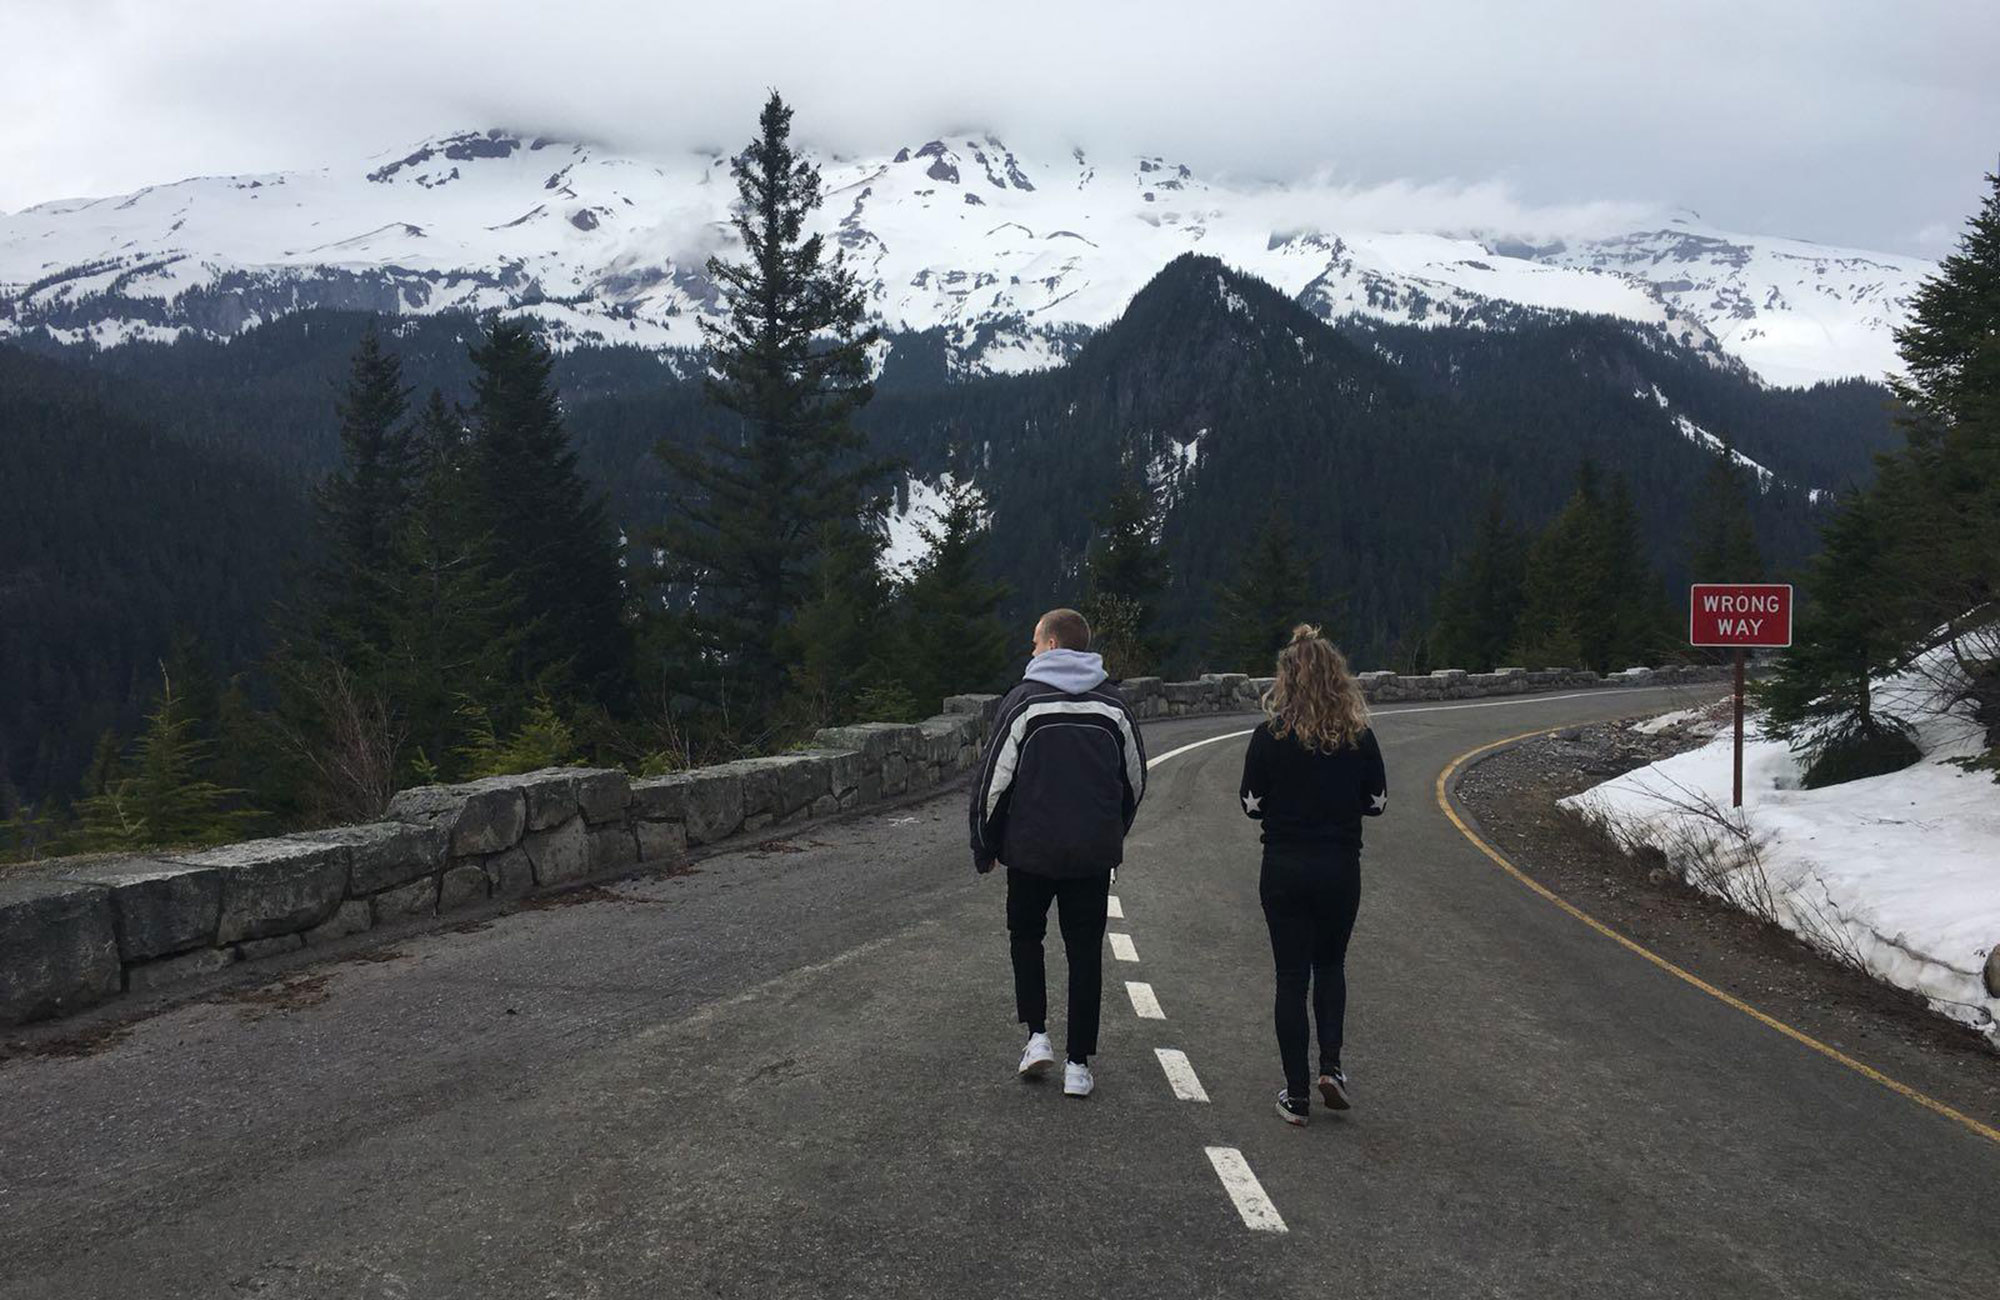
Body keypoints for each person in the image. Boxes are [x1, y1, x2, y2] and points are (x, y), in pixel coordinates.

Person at [970, 607, 1147, 1099]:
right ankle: (1078, 1065)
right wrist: (1112, 833)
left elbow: (992, 784)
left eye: (1033, 641)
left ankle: (1037, 1037)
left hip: (1029, 852)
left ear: (1050, 646)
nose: (1029, 650)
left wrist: (986, 844)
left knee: (1026, 938)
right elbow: (1134, 781)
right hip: (1091, 855)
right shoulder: (1113, 706)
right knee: (1085, 952)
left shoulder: (1023, 703)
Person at [1238, 624, 1387, 1126]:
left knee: (1289, 976)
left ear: (1286, 680)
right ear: (1337, 678)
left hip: (1283, 865)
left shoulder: (1268, 736)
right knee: (1330, 966)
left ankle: (1296, 1095)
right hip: (1340, 866)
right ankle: (1332, 1068)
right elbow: (1377, 803)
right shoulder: (1359, 738)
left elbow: (1250, 805)